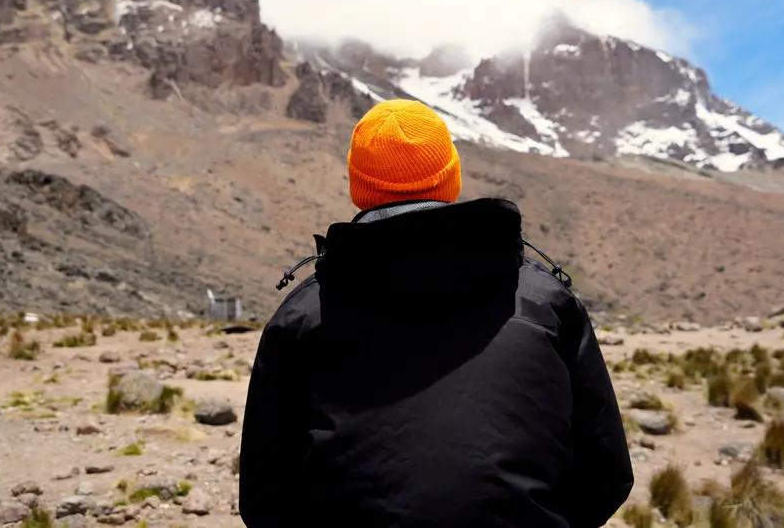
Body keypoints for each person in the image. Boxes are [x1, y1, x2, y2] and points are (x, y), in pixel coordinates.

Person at [239, 99, 632, 527]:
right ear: (451, 178)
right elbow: (607, 473)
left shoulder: (302, 317)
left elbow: (264, 501)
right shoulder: (545, 301)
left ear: (360, 186)